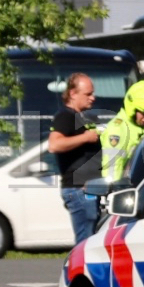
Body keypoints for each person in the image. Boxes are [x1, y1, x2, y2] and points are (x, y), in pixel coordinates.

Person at [49, 73, 102, 243]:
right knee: (86, 242)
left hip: (89, 188)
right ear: (73, 94)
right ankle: (79, 269)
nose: (92, 98)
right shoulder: (65, 116)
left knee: (92, 239)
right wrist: (85, 138)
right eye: (88, 94)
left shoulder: (83, 118)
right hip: (79, 189)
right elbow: (54, 145)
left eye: (92, 93)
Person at [101, 80, 144, 181]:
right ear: (132, 108)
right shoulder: (118, 129)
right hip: (122, 188)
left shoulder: (142, 126)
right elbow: (112, 168)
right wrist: (114, 191)